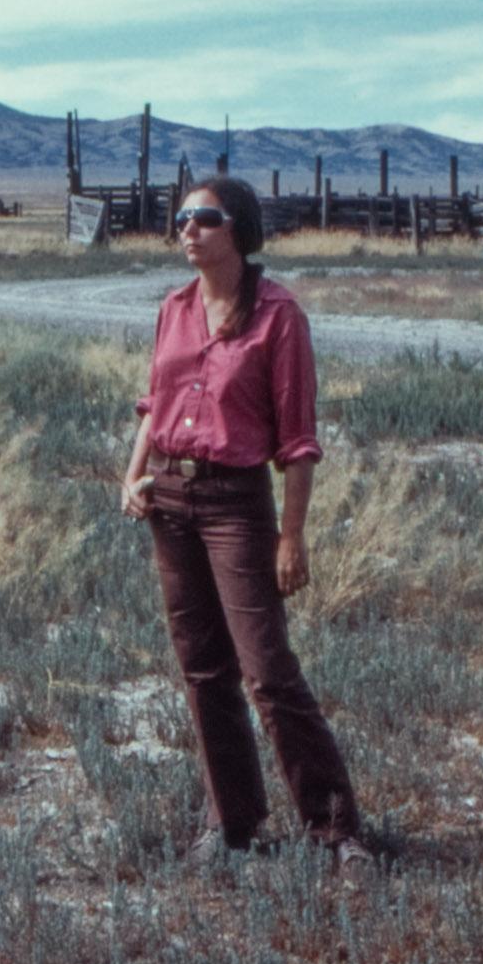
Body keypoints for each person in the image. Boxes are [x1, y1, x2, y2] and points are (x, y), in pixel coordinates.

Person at [120, 177, 369, 863]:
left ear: (239, 229)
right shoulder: (173, 308)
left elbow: (297, 441)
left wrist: (292, 534)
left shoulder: (278, 316)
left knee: (267, 670)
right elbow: (155, 400)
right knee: (202, 669)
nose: (187, 231)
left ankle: (337, 830)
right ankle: (232, 826)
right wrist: (132, 473)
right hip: (169, 498)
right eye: (180, 220)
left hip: (236, 502)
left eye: (203, 218)